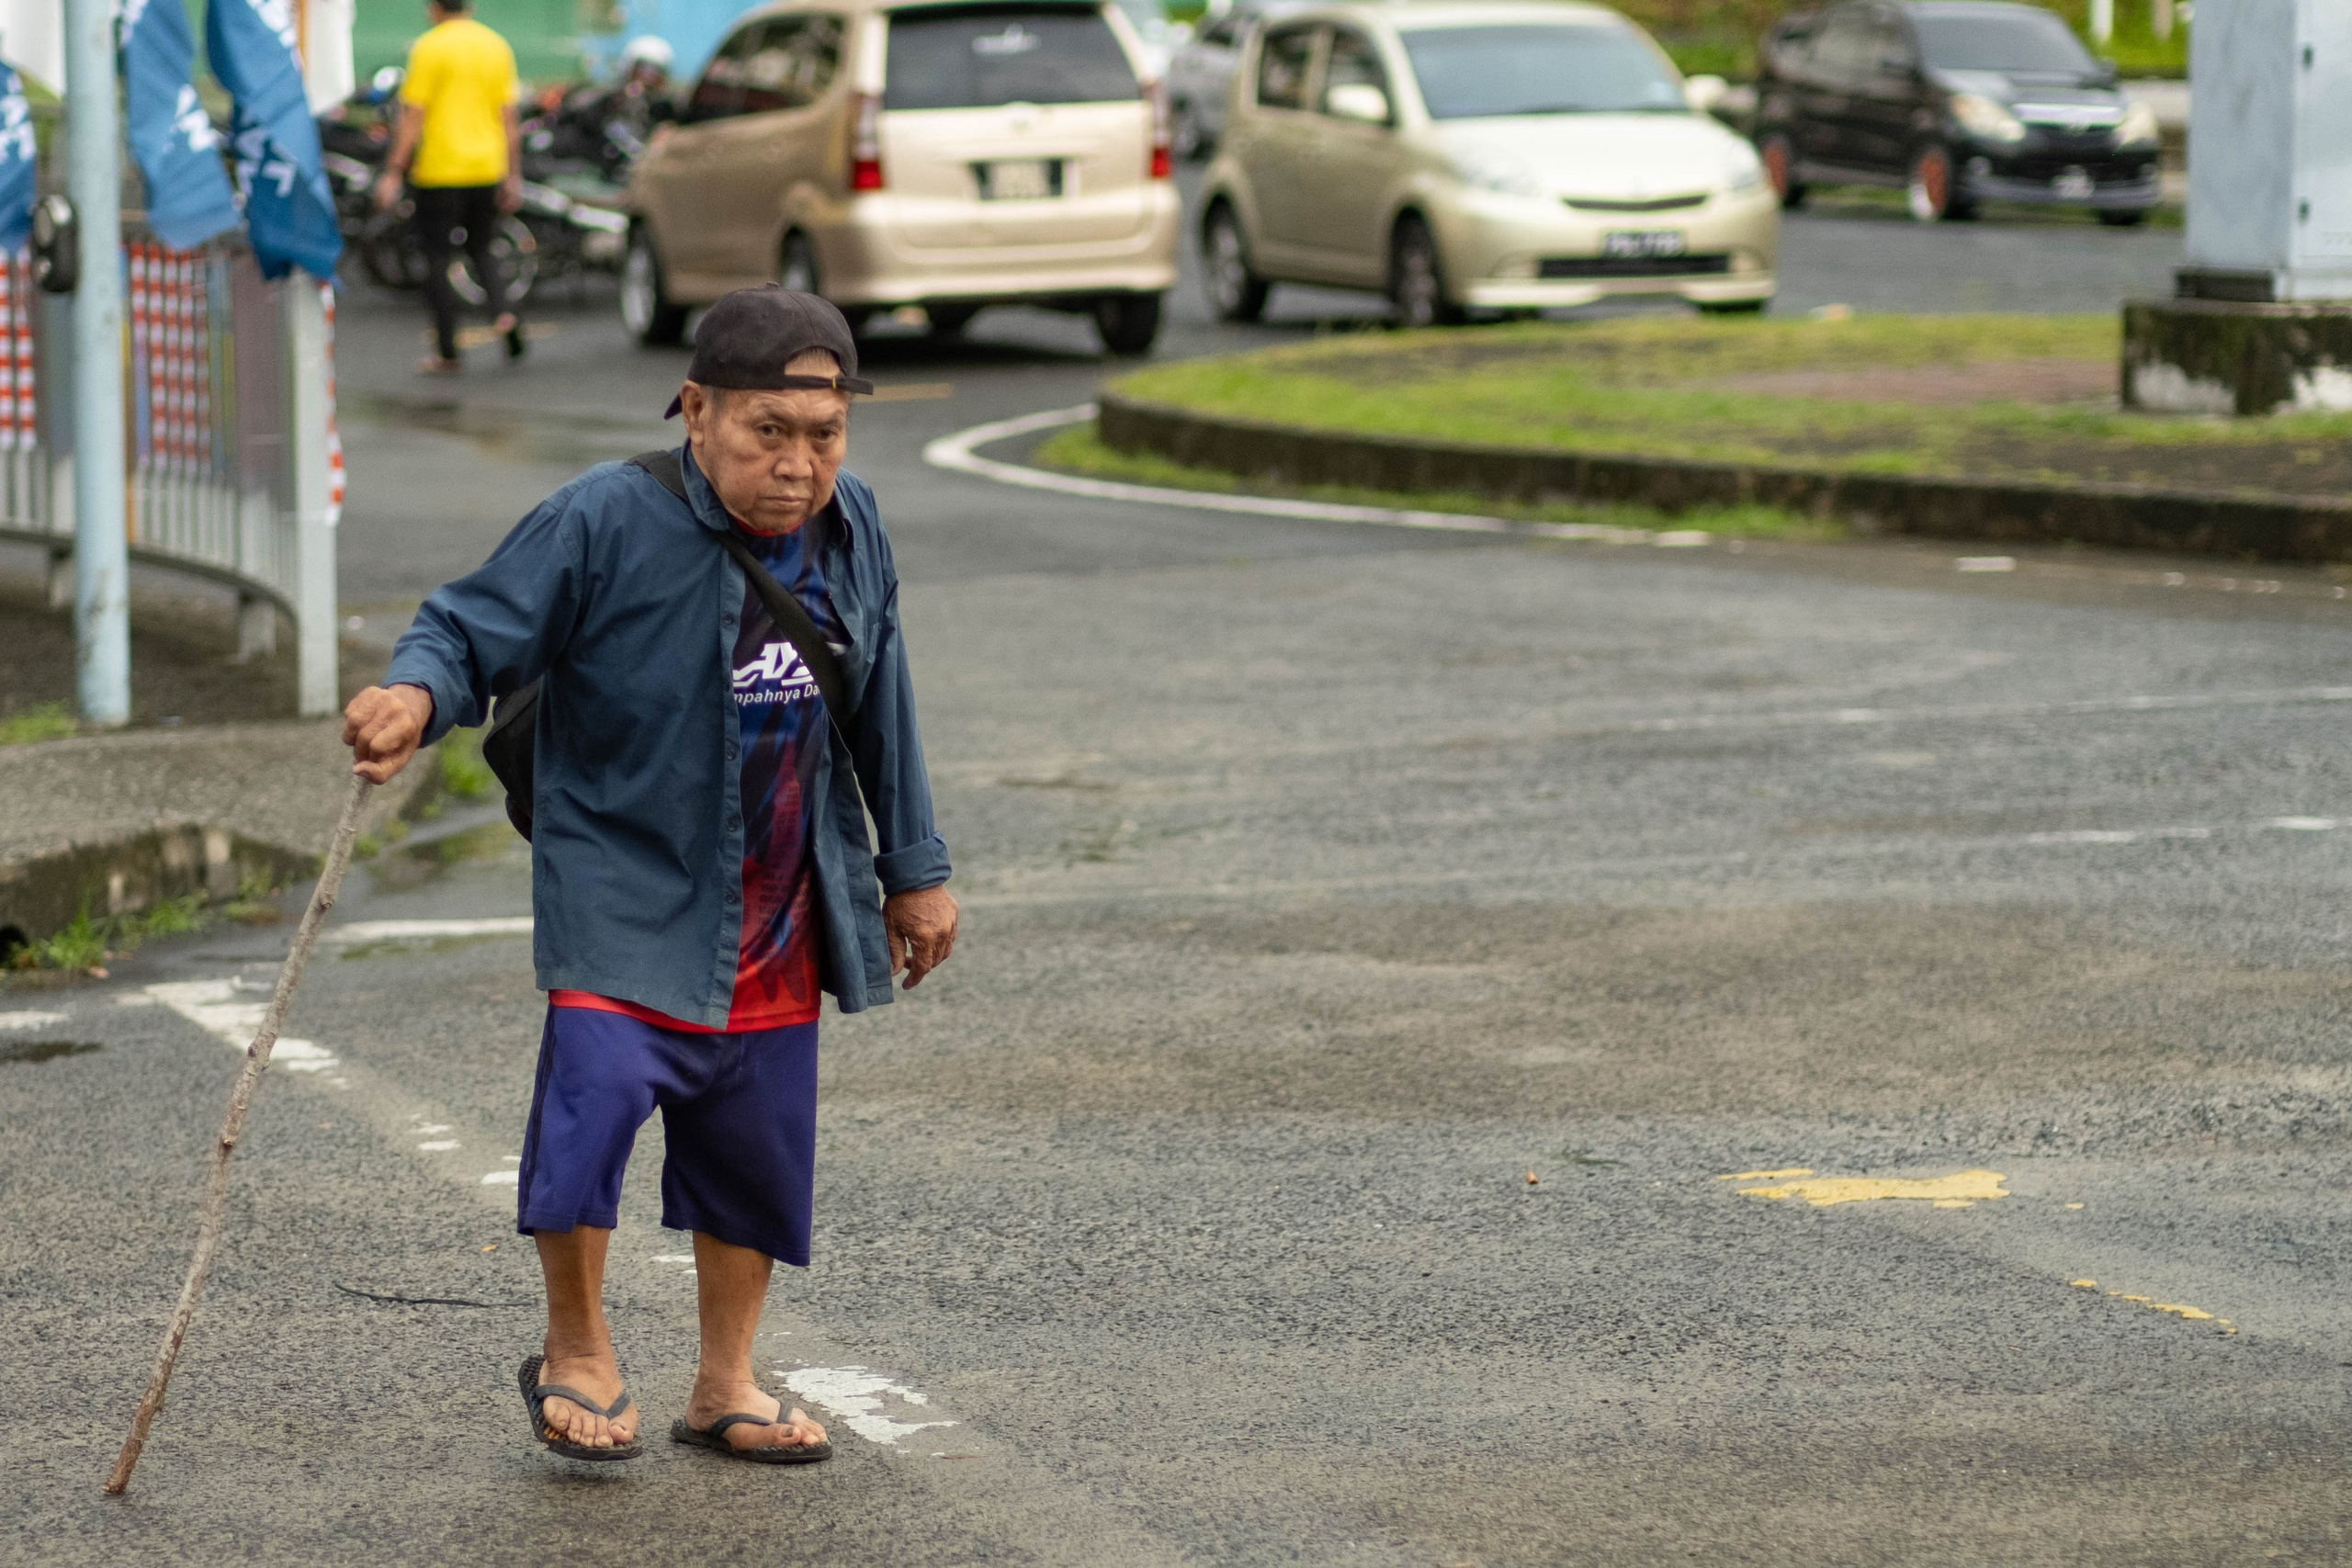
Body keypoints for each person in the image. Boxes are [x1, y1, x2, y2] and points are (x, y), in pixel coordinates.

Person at [341, 287, 960, 1461]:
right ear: (695, 410)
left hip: (780, 901)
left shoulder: (854, 524)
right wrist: (413, 697)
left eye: (822, 437)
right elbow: (466, 629)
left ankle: (723, 1381)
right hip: (627, 881)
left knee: (753, 1141)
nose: (796, 464)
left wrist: (913, 869)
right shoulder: (601, 520)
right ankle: (576, 1348)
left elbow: (883, 697)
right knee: (591, 1108)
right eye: (765, 431)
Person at [374, 0, 525, 373]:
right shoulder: (495, 45)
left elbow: (413, 115)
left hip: (440, 169)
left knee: (437, 257)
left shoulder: (429, 46)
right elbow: (508, 118)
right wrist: (512, 173)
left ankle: (447, 351)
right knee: (481, 247)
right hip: (486, 166)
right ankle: (504, 316)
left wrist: (393, 170)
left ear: (435, 7)